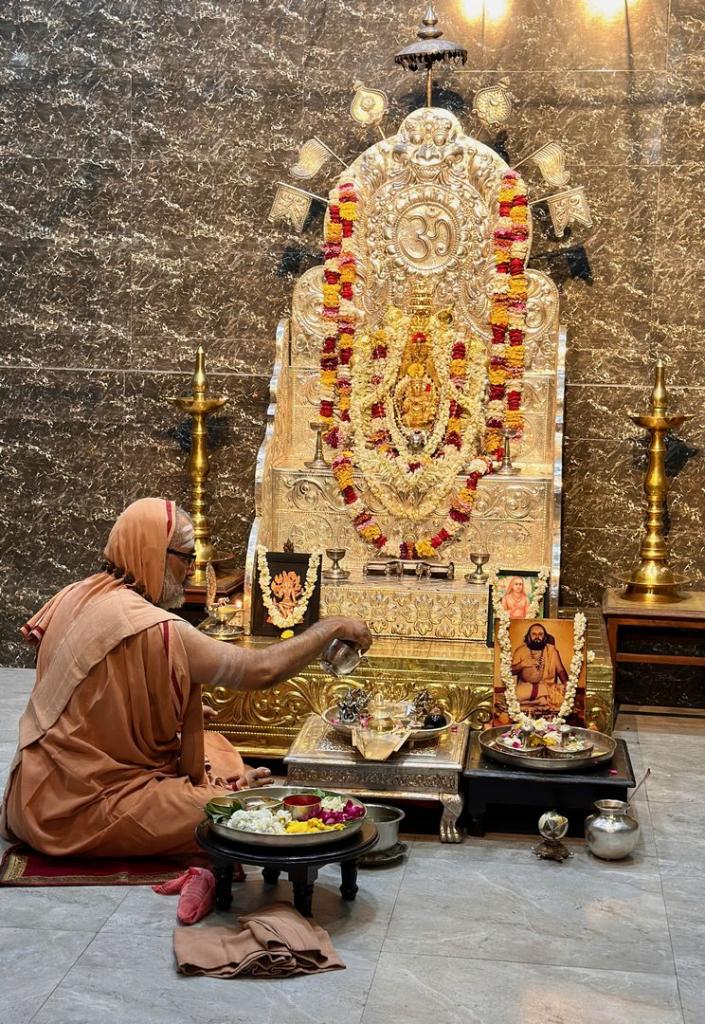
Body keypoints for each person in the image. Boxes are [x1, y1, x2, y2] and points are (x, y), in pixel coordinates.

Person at [0, 498, 371, 858]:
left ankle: (225, 781)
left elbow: (94, 704)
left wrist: (176, 715)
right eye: (187, 558)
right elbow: (260, 670)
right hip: (78, 806)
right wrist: (332, 626)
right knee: (230, 813)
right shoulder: (152, 626)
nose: (192, 570)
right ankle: (225, 790)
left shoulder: (73, 595)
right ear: (153, 553)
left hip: (35, 786)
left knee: (213, 746)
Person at [510, 622, 569, 714]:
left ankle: (536, 702)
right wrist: (522, 664)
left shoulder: (551, 650)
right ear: (528, 637)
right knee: (515, 694)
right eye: (534, 634)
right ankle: (542, 701)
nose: (537, 637)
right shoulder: (520, 650)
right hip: (527, 688)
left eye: (540, 634)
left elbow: (560, 670)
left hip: (548, 688)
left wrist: (567, 686)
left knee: (564, 697)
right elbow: (510, 671)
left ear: (544, 637)